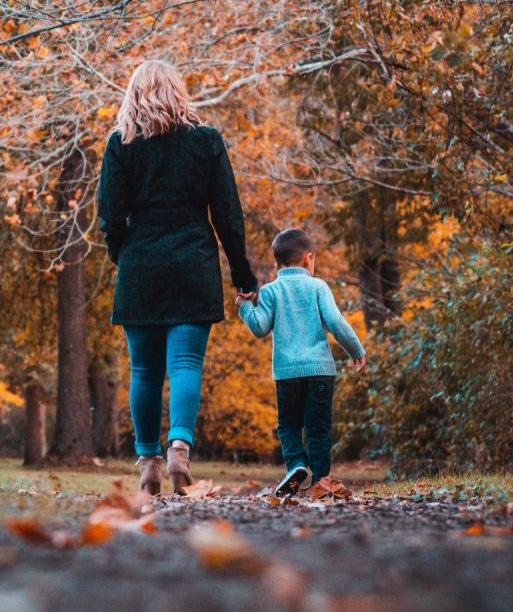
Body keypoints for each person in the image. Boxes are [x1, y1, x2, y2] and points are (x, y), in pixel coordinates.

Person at [98, 60, 259, 495]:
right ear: (178, 92)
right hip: (193, 262)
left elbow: (110, 216)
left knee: (145, 370)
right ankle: (180, 450)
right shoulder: (205, 141)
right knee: (185, 363)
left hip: (141, 264)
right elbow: (227, 214)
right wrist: (243, 273)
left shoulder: (120, 145)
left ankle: (148, 460)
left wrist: (124, 256)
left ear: (133, 93)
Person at [236, 228, 366, 497]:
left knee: (289, 425)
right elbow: (336, 323)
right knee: (318, 428)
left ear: (275, 264)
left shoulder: (270, 291)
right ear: (309, 259)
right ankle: (321, 481)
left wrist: (245, 306)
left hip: (286, 374)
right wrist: (355, 349)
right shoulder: (318, 287)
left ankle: (296, 465)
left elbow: (259, 328)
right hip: (320, 372)